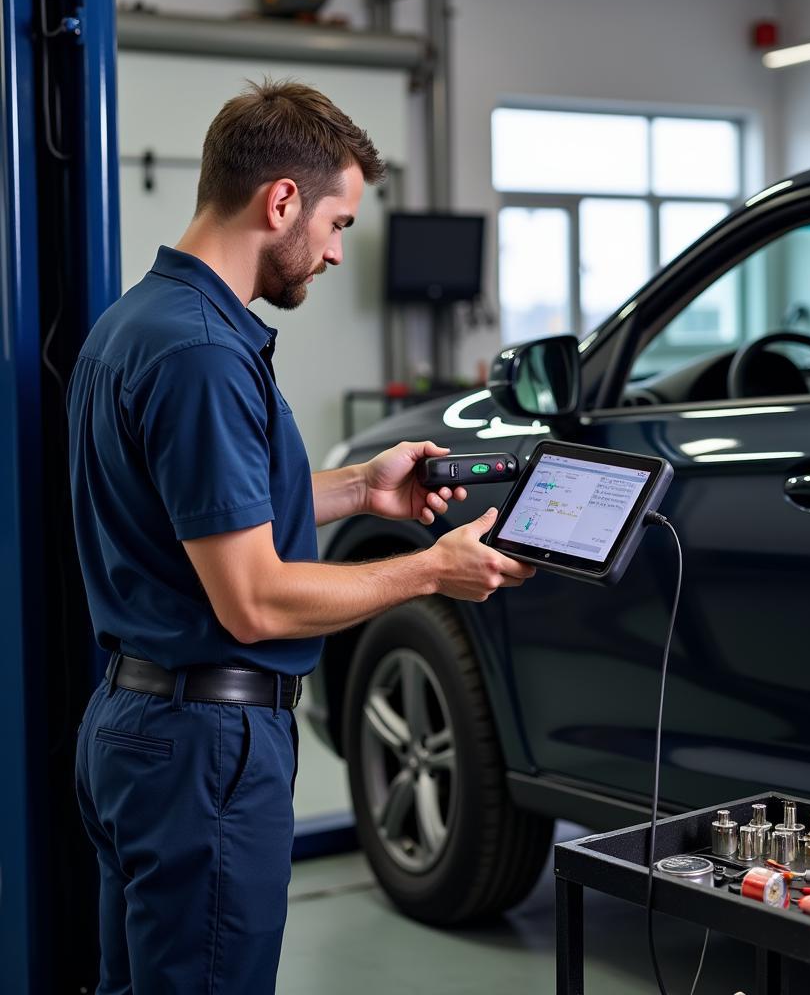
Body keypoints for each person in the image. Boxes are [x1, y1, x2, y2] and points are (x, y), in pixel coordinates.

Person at [68, 79, 535, 995]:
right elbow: (254, 599)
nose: (329, 253)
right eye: (337, 224)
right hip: (206, 749)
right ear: (282, 199)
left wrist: (361, 488)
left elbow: (206, 512)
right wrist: (432, 571)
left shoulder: (138, 324)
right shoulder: (202, 354)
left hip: (139, 728)